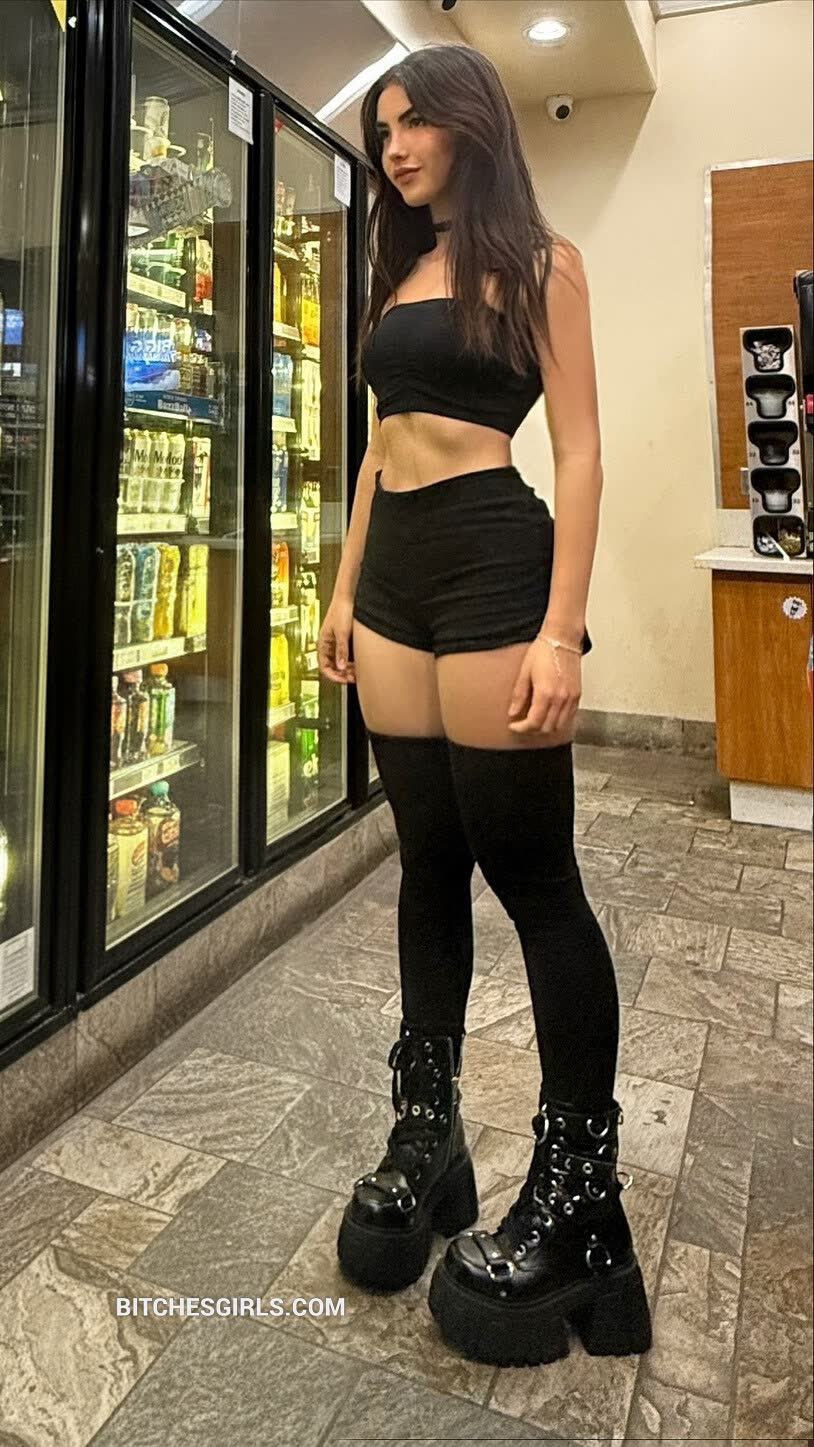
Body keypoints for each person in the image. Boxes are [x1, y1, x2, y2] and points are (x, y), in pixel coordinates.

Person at [317, 43, 652, 1369]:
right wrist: (344, 588)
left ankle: (581, 1201)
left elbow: (580, 451)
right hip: (393, 578)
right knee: (425, 868)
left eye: (415, 124)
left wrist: (562, 630)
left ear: (472, 125)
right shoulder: (399, 269)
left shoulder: (541, 264)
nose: (396, 148)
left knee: (535, 882)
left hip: (493, 565)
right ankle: (429, 1131)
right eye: (382, 131)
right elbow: (377, 448)